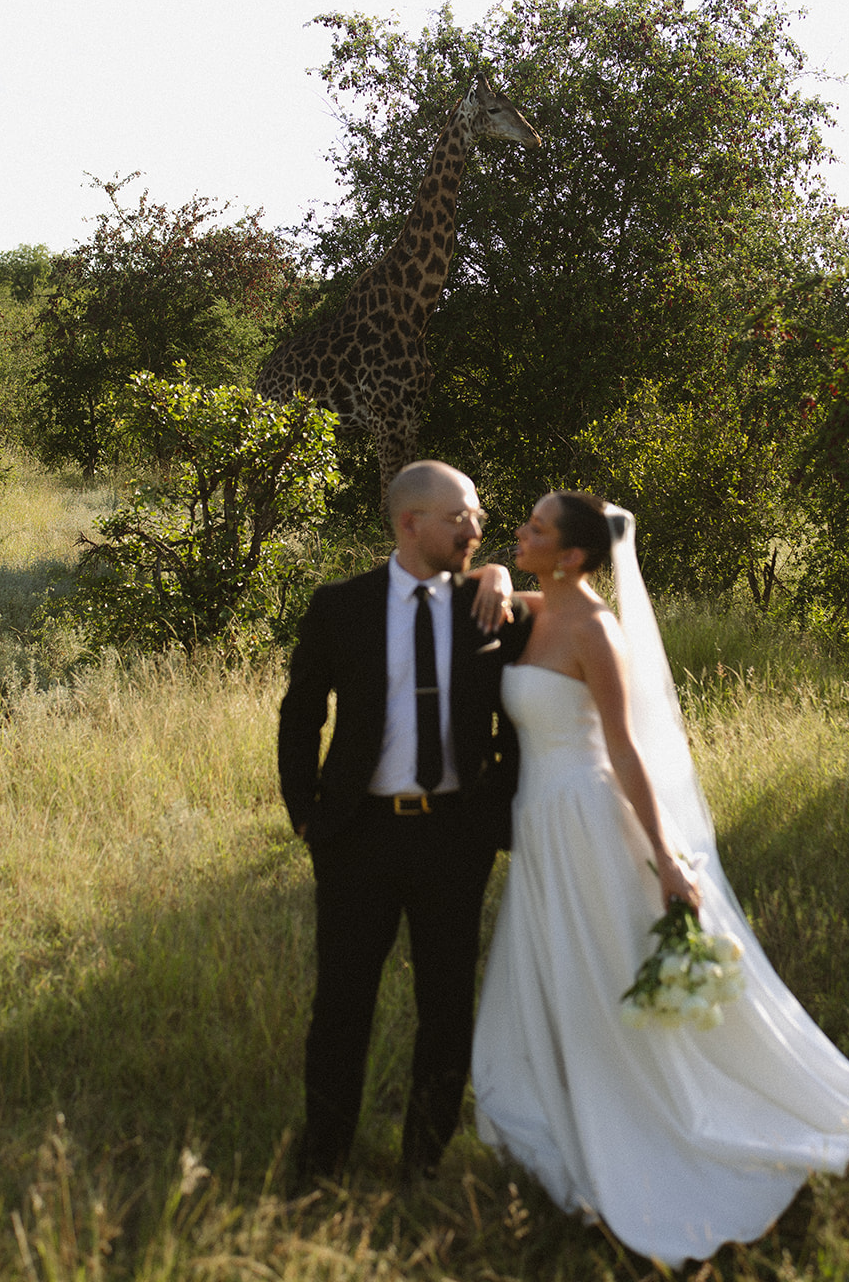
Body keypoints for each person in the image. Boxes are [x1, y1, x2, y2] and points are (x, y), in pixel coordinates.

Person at [472, 491, 849, 1267]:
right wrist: (498, 572)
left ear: (571, 554)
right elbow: (485, 576)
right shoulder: (533, 608)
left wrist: (666, 859)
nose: (519, 532)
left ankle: (643, 1119)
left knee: (604, 970)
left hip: (589, 822)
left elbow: (627, 750)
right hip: (539, 825)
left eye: (533, 528)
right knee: (557, 971)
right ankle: (566, 1098)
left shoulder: (596, 631)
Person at [279, 459, 532, 1186]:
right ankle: (319, 1159)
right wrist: (307, 816)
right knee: (340, 1007)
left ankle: (422, 1161)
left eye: (479, 517)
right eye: (461, 518)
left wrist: (503, 579)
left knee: (447, 1006)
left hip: (455, 836)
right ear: (408, 522)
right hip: (358, 836)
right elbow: (300, 715)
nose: (476, 529)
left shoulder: (485, 604)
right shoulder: (340, 606)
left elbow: (530, 690)